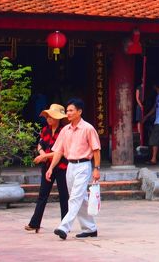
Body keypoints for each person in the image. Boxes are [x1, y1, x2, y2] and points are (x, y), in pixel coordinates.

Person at [47, 98, 101, 239]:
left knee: (75, 198)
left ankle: (64, 227)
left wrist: (96, 168)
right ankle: (90, 228)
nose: (68, 113)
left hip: (84, 166)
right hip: (70, 166)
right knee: (79, 198)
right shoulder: (65, 130)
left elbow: (96, 150)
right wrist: (51, 167)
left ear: (79, 111)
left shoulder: (88, 128)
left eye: (71, 110)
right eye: (67, 111)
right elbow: (59, 151)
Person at [25, 104, 70, 233]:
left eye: (51, 116)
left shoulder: (64, 131)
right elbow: (40, 144)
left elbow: (62, 151)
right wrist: (42, 153)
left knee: (64, 196)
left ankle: (65, 225)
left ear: (58, 118)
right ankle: (35, 223)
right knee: (42, 195)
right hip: (47, 166)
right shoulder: (45, 129)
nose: (49, 119)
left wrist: (44, 156)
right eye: (48, 116)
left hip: (62, 167)